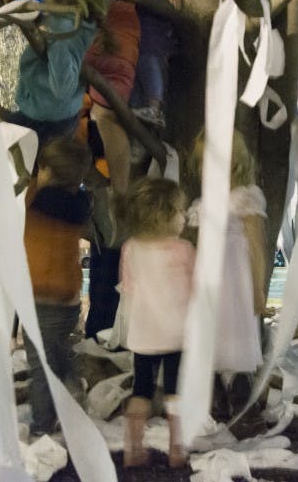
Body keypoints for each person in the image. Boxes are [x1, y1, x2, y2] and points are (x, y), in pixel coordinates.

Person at [24, 0, 140, 195]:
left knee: (58, 99)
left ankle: (54, 179)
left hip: (81, 37)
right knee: (108, 117)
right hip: (123, 46)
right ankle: (121, 195)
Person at [117, 178, 195, 468]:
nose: (184, 216)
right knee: (176, 390)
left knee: (142, 389)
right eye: (180, 211)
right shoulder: (184, 249)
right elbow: (196, 289)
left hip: (145, 333)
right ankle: (177, 447)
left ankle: (132, 446)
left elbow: (128, 287)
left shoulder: (131, 248)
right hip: (177, 333)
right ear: (164, 214)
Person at [188, 131, 266, 421]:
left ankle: (241, 390)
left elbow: (256, 245)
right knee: (212, 332)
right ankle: (215, 392)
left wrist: (258, 287)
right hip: (209, 277)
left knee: (237, 331)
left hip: (236, 276)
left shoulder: (246, 198)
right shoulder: (202, 202)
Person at [21, 137, 93, 435]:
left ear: (46, 169)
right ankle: (71, 379)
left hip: (39, 295)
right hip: (68, 297)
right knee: (55, 347)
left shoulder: (33, 199)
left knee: (40, 366)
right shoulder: (80, 205)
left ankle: (42, 426)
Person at [5, 8, 98, 148]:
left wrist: (53, 30)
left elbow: (62, 87)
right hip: (66, 111)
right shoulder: (88, 23)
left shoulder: (63, 28)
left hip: (43, 113)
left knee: (23, 159)